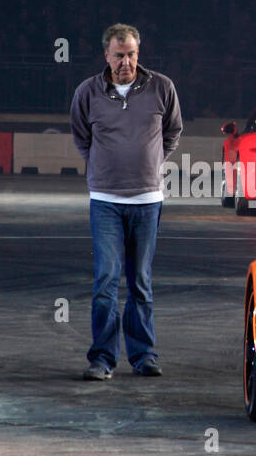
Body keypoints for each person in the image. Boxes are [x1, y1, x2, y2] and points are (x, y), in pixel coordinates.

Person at [70, 23, 182, 379]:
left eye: (132, 54)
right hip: (105, 200)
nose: (126, 62)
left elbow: (173, 131)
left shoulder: (161, 88)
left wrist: (150, 163)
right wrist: (103, 166)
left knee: (140, 281)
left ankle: (144, 356)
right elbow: (81, 135)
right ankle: (102, 358)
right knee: (106, 279)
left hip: (148, 200)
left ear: (139, 53)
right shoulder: (88, 92)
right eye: (119, 55)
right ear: (106, 55)